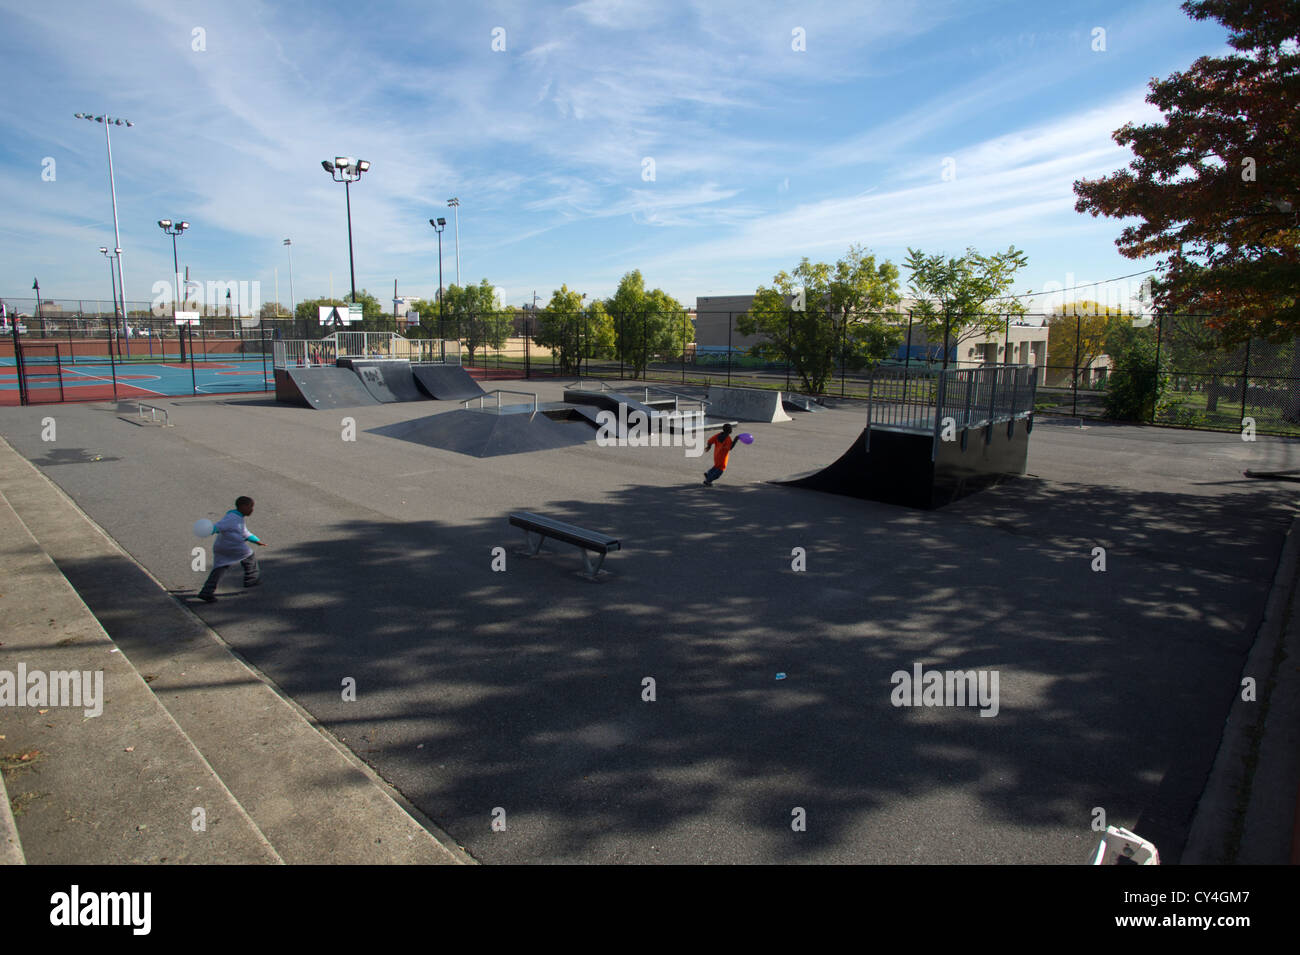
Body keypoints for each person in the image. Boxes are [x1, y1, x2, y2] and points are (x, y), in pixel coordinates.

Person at [197, 496, 266, 602]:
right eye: (250, 507)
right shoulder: (232, 518)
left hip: (222, 546)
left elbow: (244, 532)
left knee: (220, 567)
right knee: (249, 555)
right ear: (243, 507)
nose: (252, 510)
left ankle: (207, 591)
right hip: (232, 546)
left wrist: (255, 540)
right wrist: (208, 530)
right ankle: (251, 578)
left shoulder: (236, 517)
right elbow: (219, 526)